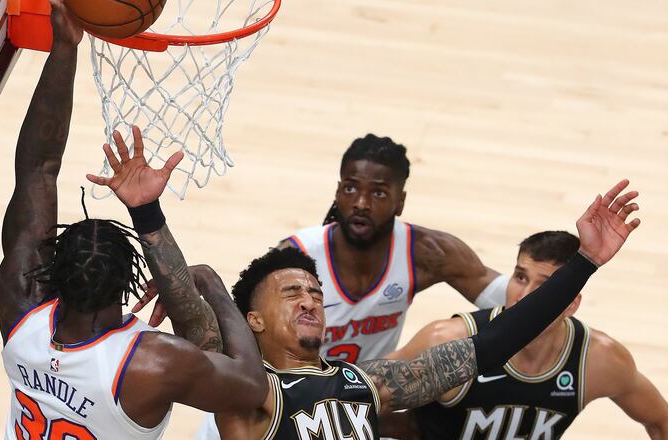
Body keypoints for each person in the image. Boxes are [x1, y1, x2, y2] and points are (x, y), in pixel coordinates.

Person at [0, 3, 267, 439]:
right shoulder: (151, 363)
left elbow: (37, 168)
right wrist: (210, 282)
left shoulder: (20, 303)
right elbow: (250, 388)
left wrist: (63, 47)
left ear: (50, 271)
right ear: (129, 284)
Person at [208, 180, 639, 439]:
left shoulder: (365, 383)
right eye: (291, 293)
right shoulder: (247, 390)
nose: (309, 300)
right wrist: (195, 269)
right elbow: (200, 329)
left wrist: (585, 262)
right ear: (253, 319)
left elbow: (494, 342)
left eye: (317, 294)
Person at [380, 229, 668, 439]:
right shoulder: (445, 340)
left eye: (544, 285)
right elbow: (357, 400)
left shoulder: (598, 360)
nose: (525, 295)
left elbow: (660, 421)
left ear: (571, 303)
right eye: (520, 277)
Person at [278, 134, 508, 363]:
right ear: (338, 192)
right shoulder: (296, 256)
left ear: (400, 202)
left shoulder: (426, 252)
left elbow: (513, 300)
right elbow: (249, 327)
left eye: (378, 193)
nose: (361, 203)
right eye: (350, 189)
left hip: (374, 390)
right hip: (299, 389)